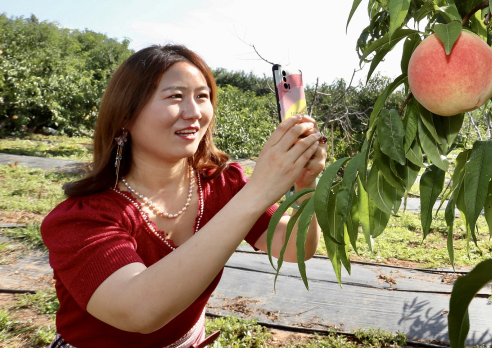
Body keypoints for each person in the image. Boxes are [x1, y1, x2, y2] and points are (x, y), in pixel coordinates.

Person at [40, 45, 327, 348]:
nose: (194, 113)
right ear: (125, 113)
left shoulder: (220, 184)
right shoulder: (81, 219)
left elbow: (294, 248)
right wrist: (259, 191)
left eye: (202, 96)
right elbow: (139, 311)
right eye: (175, 97)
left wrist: (306, 184)